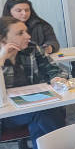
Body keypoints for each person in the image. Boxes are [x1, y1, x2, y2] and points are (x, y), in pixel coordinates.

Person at [0, 16, 67, 149]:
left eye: (26, 31)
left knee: (43, 114)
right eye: (20, 33)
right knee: (43, 112)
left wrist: (57, 78)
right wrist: (1, 59)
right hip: (6, 114)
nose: (28, 36)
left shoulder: (31, 48)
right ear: (2, 38)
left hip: (34, 103)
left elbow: (55, 69)